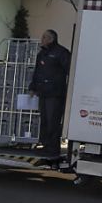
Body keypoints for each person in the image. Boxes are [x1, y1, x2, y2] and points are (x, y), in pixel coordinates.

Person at [30, 29, 71, 157]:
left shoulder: (61, 53)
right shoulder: (42, 54)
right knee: (45, 121)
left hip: (55, 93)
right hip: (43, 93)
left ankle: (53, 148)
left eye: (44, 37)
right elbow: (37, 72)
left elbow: (69, 69)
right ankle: (45, 145)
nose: (42, 39)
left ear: (51, 39)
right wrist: (33, 87)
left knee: (53, 121)